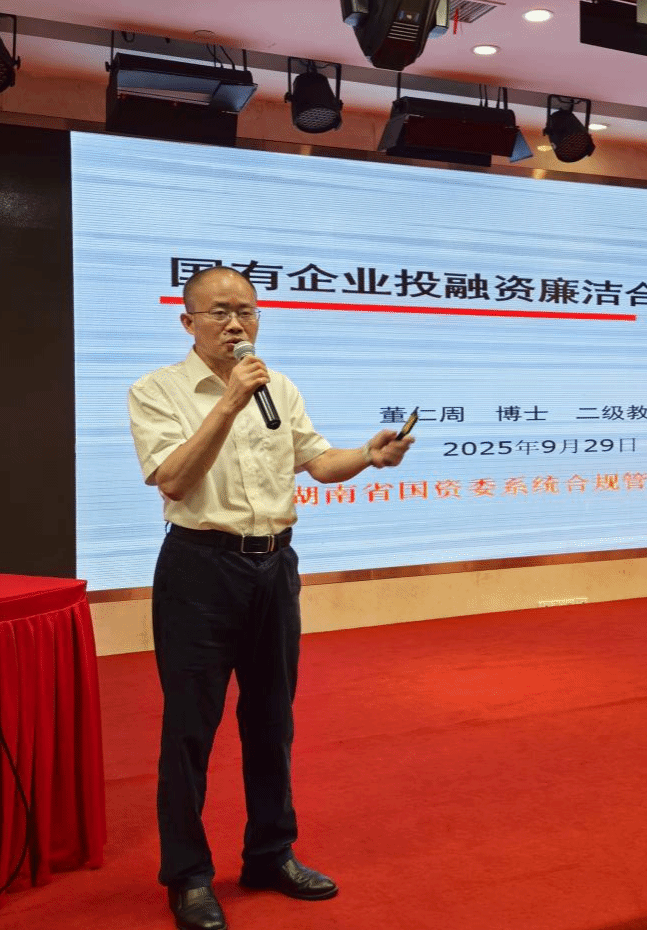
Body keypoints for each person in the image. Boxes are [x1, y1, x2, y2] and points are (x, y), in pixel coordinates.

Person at [127, 266, 413, 930]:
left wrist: (369, 456)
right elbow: (172, 478)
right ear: (188, 321)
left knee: (271, 721)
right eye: (220, 312)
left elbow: (317, 462)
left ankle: (269, 853)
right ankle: (188, 876)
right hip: (200, 569)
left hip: (274, 567)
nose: (236, 324)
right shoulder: (156, 390)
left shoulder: (277, 386)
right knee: (191, 729)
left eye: (248, 311)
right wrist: (228, 402)